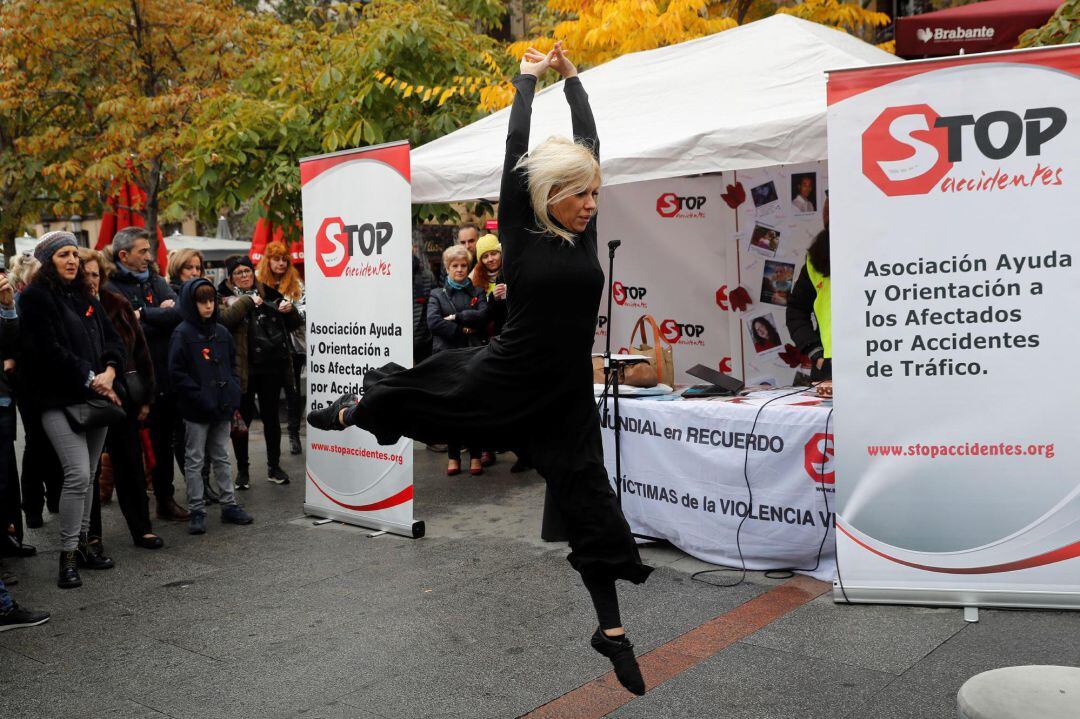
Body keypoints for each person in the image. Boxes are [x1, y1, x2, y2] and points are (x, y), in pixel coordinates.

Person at [310, 43, 652, 695]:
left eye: (595, 193)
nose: (591, 202)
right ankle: (355, 409)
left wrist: (574, 81)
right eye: (581, 193)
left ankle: (611, 632)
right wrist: (526, 82)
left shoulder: (583, 232)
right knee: (426, 401)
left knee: (592, 505)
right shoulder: (520, 230)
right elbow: (515, 147)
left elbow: (590, 143)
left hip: (565, 398)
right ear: (552, 194)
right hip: (507, 373)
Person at [19, 232, 126, 589]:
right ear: (48, 260)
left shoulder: (84, 294)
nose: (72, 261)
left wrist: (110, 371)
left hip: (96, 397)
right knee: (78, 474)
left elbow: (113, 339)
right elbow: (46, 350)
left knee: (90, 474)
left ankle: (82, 546)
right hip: (56, 399)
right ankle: (66, 556)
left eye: (75, 254)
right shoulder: (35, 297)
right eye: (63, 254)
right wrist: (92, 378)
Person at [79, 248, 163, 550]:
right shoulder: (69, 307)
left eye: (95, 274)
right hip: (85, 397)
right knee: (88, 469)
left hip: (123, 396)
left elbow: (141, 351)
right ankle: (91, 534)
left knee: (130, 464)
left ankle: (142, 528)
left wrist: (146, 397)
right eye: (85, 274)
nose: (91, 280)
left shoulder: (117, 303)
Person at [106, 227, 187, 522]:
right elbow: (125, 328)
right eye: (143, 251)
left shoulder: (155, 279)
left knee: (163, 441)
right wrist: (157, 314)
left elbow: (179, 313)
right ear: (123, 255)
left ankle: (165, 499)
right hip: (133, 378)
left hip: (163, 375)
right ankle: (138, 511)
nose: (149, 257)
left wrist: (144, 313)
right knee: (133, 446)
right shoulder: (110, 286)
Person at [169, 278, 253, 534]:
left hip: (222, 406)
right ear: (190, 303)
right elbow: (176, 373)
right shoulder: (182, 333)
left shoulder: (222, 332)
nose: (208, 306)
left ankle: (229, 505)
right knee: (195, 459)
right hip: (196, 410)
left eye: (211, 301)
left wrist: (233, 390)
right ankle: (197, 509)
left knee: (221, 456)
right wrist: (199, 396)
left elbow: (233, 364)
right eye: (201, 302)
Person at [218, 255, 301, 487]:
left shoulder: (268, 292)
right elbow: (223, 322)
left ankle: (274, 466)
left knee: (271, 417)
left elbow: (293, 324)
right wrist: (246, 302)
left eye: (247, 271)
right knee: (242, 420)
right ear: (230, 277)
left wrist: (289, 310)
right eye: (238, 272)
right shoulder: (221, 295)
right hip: (241, 368)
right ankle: (242, 470)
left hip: (270, 366)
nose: (244, 276)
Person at [427, 244, 488, 476]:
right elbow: (434, 323)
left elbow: (483, 316)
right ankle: (453, 457)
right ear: (447, 268)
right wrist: (462, 329)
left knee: (474, 406)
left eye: (463, 265)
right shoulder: (437, 294)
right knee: (451, 408)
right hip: (447, 357)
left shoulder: (477, 292)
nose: (460, 269)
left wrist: (456, 318)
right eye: (455, 265)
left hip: (473, 355)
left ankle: (475, 456)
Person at [255, 241, 306, 456]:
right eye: (276, 259)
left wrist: (292, 309)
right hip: (265, 347)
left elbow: (306, 310)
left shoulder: (296, 283)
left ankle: (294, 434)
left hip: (291, 347)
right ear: (268, 261)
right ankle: (273, 441)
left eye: (285, 259)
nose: (281, 263)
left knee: (293, 392)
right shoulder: (257, 282)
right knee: (270, 395)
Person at [468, 234, 507, 469]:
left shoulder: (512, 272)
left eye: (494, 253)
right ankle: (487, 448)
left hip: (505, 340)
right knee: (484, 397)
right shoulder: (474, 279)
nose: (491, 259)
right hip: (482, 342)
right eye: (485, 256)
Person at [787, 228, 831, 381]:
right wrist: (815, 353)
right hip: (829, 367)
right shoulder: (820, 256)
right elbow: (796, 311)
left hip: (878, 358)